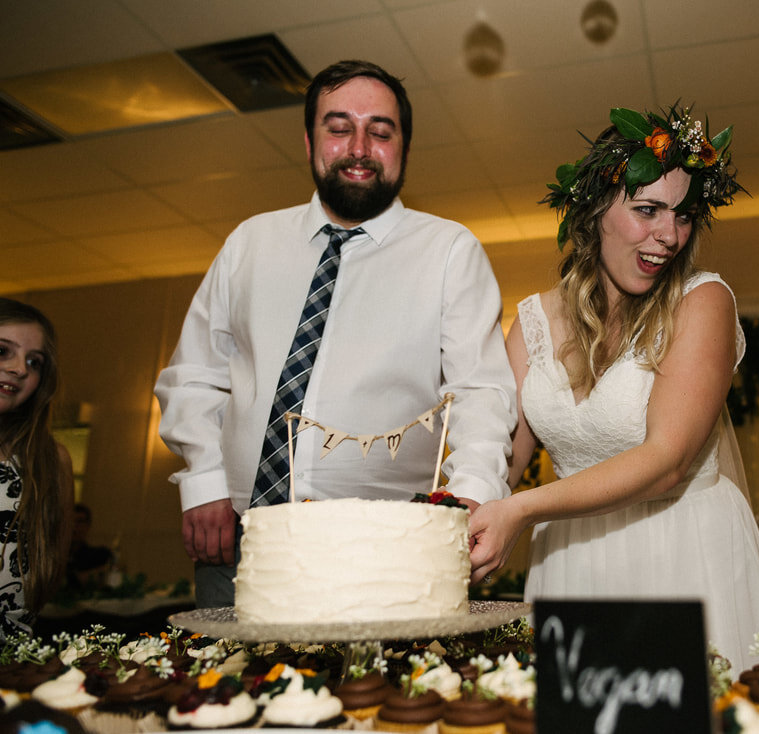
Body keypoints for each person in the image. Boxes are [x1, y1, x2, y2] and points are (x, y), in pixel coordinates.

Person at [154, 60, 516, 608]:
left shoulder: (448, 251)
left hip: (384, 557)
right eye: (339, 126)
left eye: (380, 130)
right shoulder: (249, 243)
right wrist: (203, 482)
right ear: (309, 141)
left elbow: (481, 392)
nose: (359, 147)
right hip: (238, 548)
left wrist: (472, 497)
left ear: (405, 150)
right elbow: (194, 377)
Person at [467, 105, 759, 667]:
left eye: (684, 215)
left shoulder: (703, 302)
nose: (670, 235)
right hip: (571, 563)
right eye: (647, 210)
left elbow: (666, 461)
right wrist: (453, 513)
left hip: (681, 553)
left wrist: (521, 511)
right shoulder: (533, 323)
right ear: (593, 213)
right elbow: (497, 460)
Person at [0, 298, 73, 638]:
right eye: (3, 351)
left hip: (14, 657)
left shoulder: (50, 460)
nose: (19, 368)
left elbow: (52, 566)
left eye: (34, 361)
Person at [65, 503, 114, 592]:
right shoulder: (56, 558)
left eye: (79, 521)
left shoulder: (100, 555)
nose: (74, 526)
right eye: (71, 521)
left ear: (88, 525)